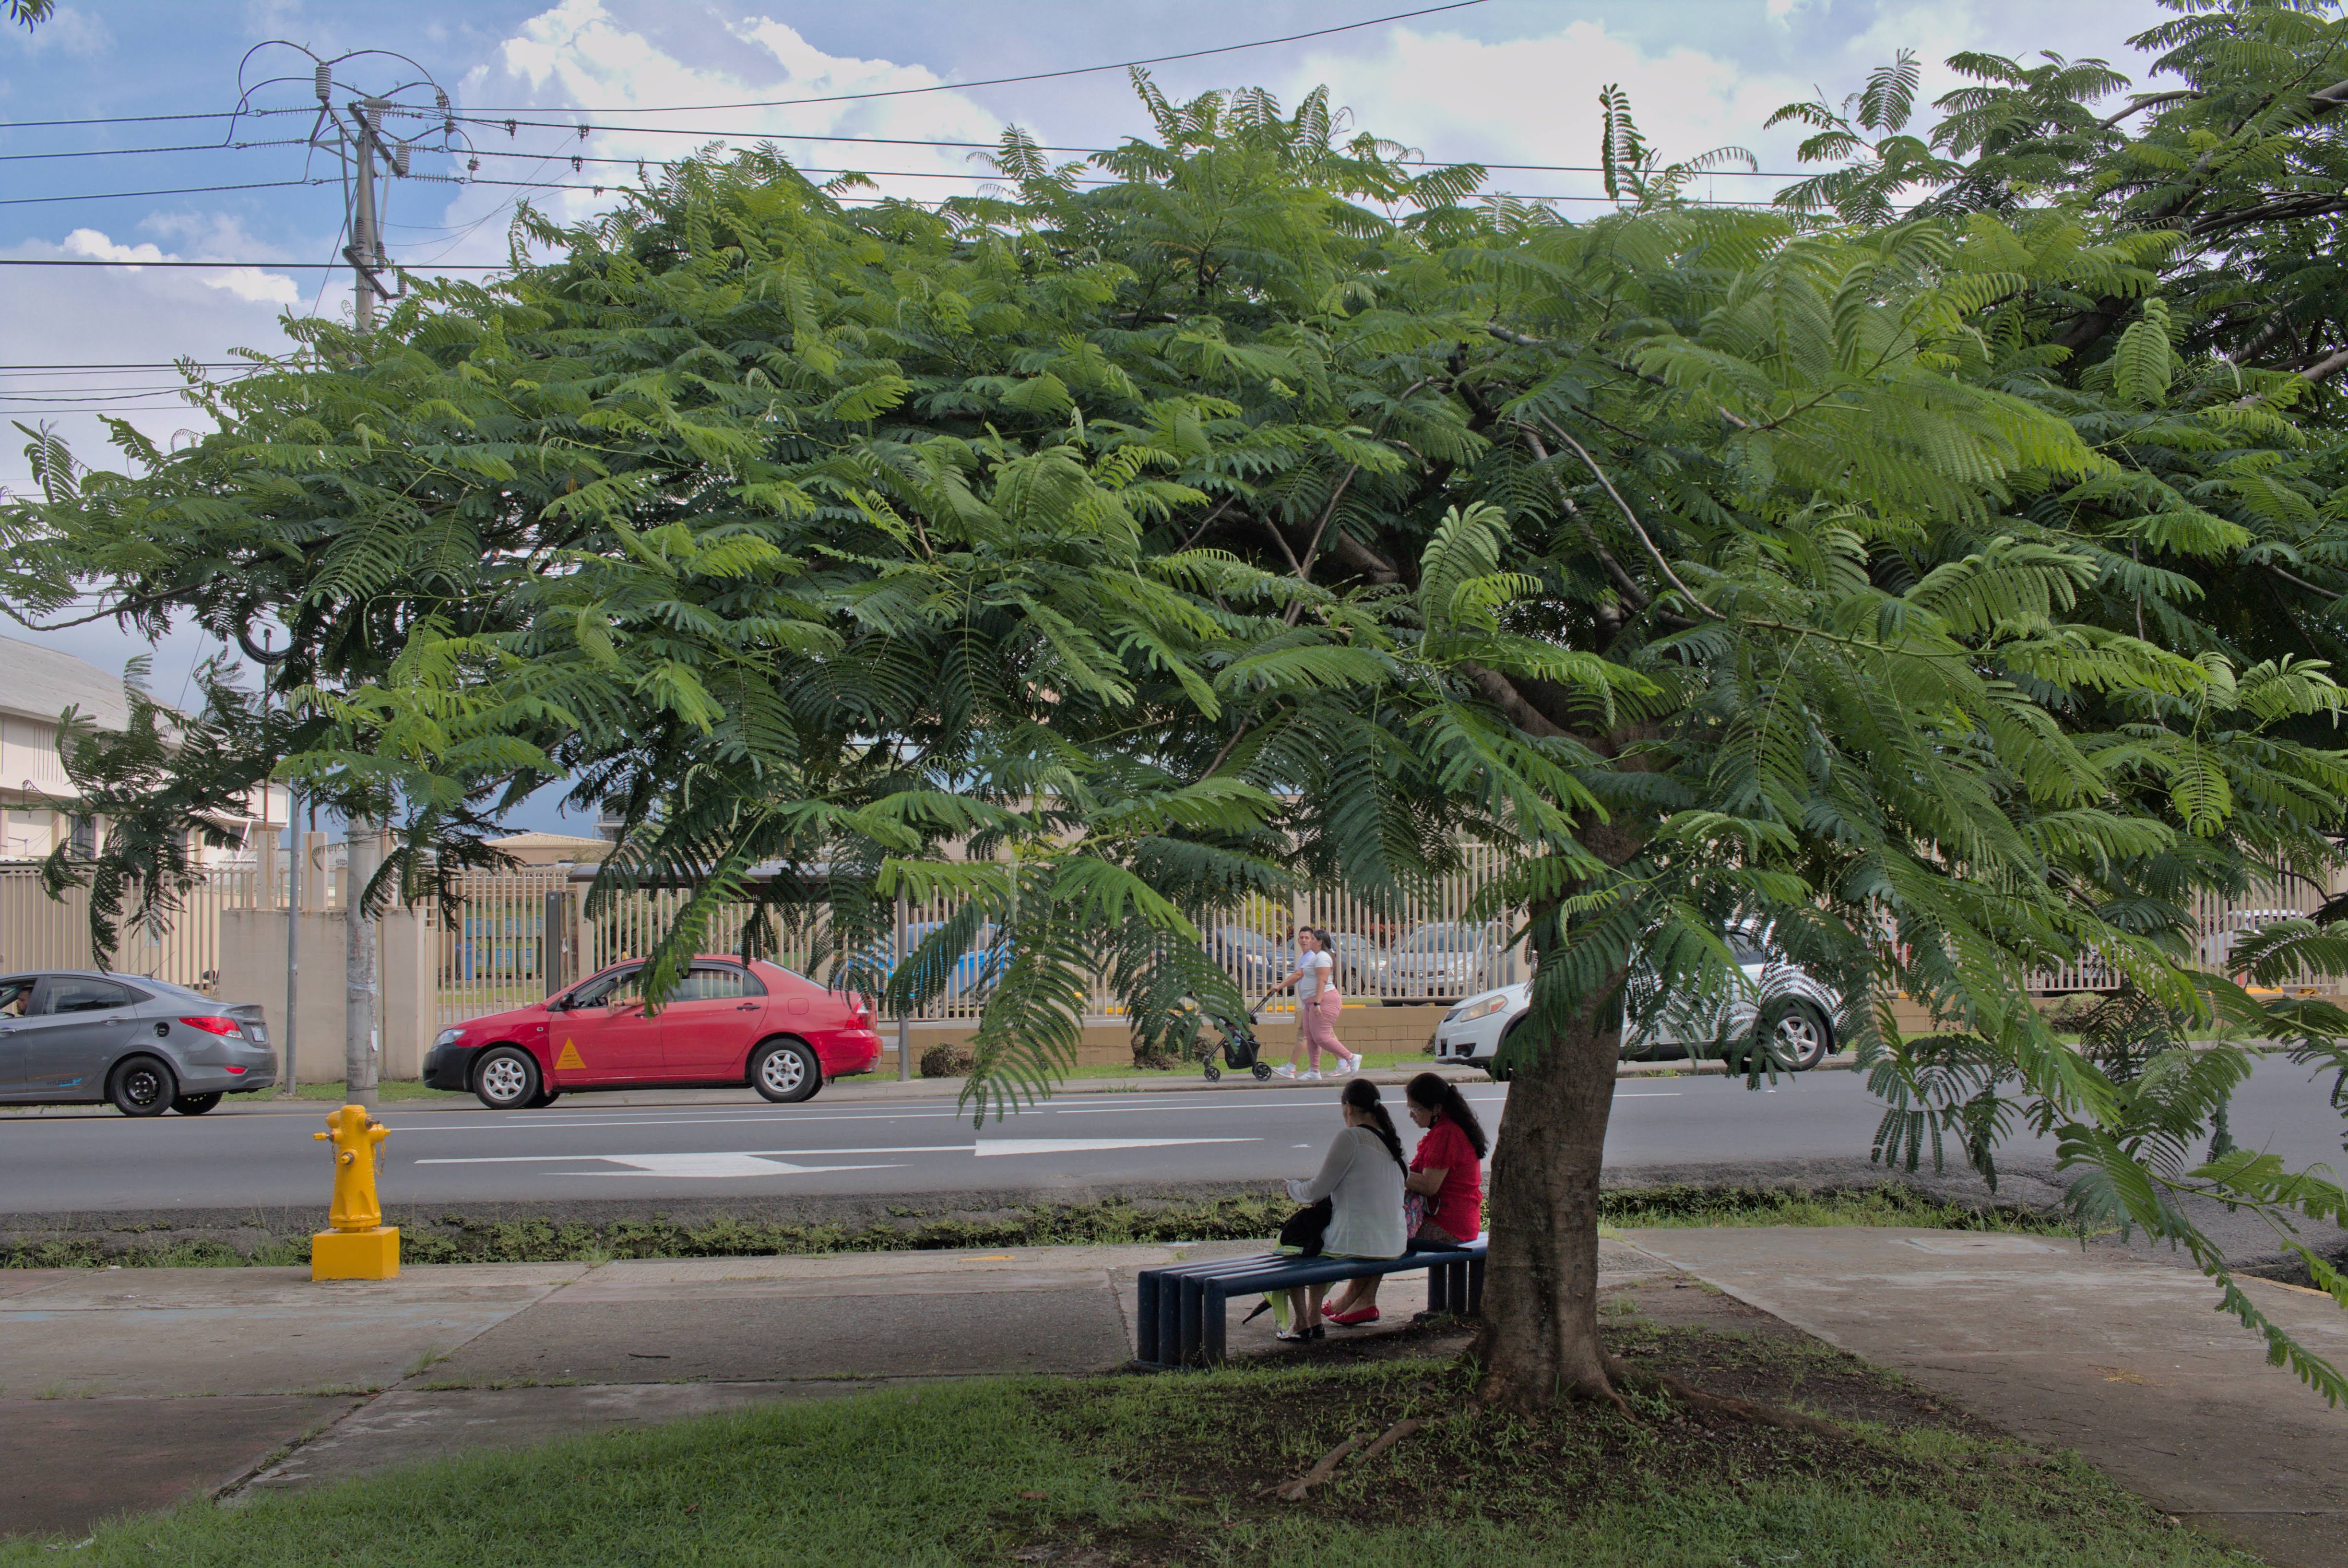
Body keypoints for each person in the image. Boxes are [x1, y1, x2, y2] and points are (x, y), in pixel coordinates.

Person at [1323, 1072, 1487, 1326]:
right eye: (1409, 1108)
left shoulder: (1446, 1134)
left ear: (1437, 1108)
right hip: (1456, 1218)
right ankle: (1355, 1300)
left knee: (1385, 1232)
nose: (1411, 1115)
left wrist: (1394, 1171)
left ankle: (1360, 1301)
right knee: (1385, 1229)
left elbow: (1430, 1186)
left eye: (1416, 1109)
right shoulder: (1447, 1129)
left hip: (1449, 1224)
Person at [1273, 1077, 1408, 1341]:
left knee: (1291, 1245)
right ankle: (1313, 1320)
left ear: (1348, 1108)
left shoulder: (1352, 1137)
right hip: (1394, 1242)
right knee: (1318, 1239)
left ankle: (1303, 1323)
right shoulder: (1394, 1142)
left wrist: (1292, 1188)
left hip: (1360, 1242)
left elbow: (1316, 1190)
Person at [1272, 927, 1359, 1080]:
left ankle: (1351, 1058)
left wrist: (1318, 1003)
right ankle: (1314, 1071)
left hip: (1323, 1001)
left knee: (1322, 1037)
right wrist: (1280, 986)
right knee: (1311, 1036)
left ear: (1319, 942)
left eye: (1311, 939)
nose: (1308, 941)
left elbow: (1322, 981)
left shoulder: (1323, 958)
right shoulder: (1315, 957)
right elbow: (1300, 975)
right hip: (1310, 1003)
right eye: (1305, 938)